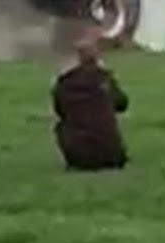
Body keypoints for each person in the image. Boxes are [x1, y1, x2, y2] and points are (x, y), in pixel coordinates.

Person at [51, 28, 130, 171]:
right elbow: (122, 104)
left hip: (80, 160)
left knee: (60, 127)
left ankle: (76, 159)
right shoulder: (104, 79)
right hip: (112, 157)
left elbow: (59, 110)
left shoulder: (64, 83)